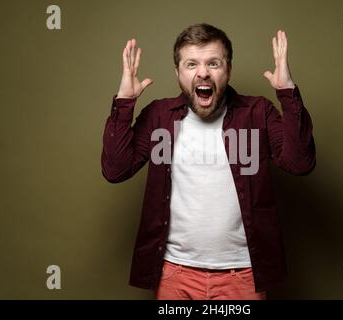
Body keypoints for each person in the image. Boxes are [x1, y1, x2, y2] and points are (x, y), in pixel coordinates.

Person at [101, 23, 316, 300]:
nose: (203, 72)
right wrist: (124, 102)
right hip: (175, 275)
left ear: (228, 70)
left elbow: (300, 164)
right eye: (191, 64)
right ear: (178, 73)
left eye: (213, 63)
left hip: (242, 275)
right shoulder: (159, 118)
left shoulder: (256, 113)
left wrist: (287, 92)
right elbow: (115, 170)